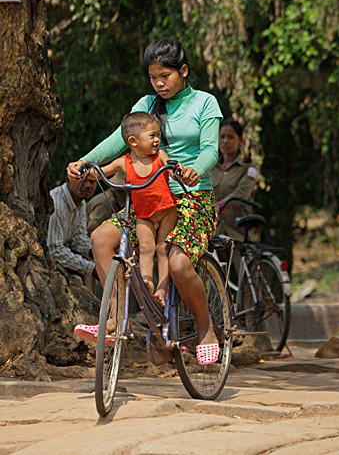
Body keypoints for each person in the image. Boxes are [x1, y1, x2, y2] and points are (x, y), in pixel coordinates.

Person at [67, 37, 223, 365]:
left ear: (183, 71)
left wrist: (194, 171)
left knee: (179, 264)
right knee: (101, 239)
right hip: (148, 197)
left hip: (191, 198)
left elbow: (211, 150)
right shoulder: (147, 104)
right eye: (153, 77)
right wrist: (83, 162)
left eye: (165, 76)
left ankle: (206, 328)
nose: (159, 83)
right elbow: (118, 141)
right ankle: (115, 319)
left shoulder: (205, 103)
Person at [86, 111, 179, 306]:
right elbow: (100, 173)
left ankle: (162, 288)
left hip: (166, 212)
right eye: (152, 135)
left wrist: (176, 169)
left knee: (162, 249)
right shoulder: (124, 163)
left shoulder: (159, 156)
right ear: (133, 141)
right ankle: (147, 281)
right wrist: (85, 169)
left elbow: (171, 166)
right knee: (146, 249)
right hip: (144, 216)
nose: (157, 140)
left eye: (157, 135)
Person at [211, 118, 258, 273]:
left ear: (240, 140)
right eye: (222, 136)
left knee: (246, 279)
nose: (225, 141)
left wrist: (220, 205)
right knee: (215, 279)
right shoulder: (211, 169)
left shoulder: (248, 169)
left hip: (238, 234)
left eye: (230, 137)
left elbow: (241, 193)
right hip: (215, 233)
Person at [47, 176, 97, 290]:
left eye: (92, 181)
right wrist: (91, 269)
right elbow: (54, 250)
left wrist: (92, 251)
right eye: (83, 181)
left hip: (64, 252)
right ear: (69, 180)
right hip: (50, 260)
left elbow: (78, 237)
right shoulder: (56, 203)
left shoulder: (81, 203)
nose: (88, 186)